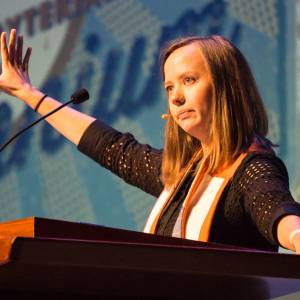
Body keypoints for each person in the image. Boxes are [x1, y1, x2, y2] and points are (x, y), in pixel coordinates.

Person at [1, 29, 300, 253]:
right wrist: (27, 92)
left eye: (189, 80)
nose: (176, 97)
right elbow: (110, 147)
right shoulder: (181, 175)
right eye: (169, 87)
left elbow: (274, 208)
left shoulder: (252, 166)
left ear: (226, 87)